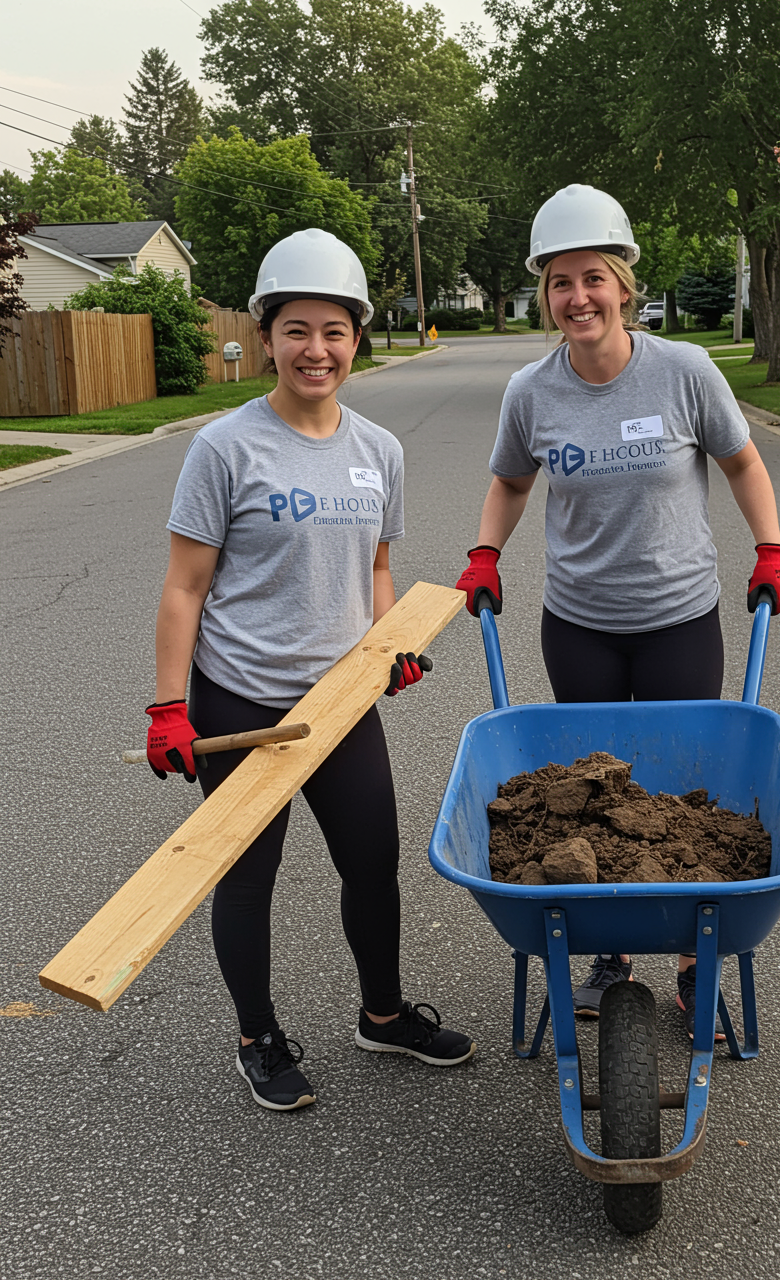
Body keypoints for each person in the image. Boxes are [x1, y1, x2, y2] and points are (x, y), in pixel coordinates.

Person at [455, 185, 780, 1038]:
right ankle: (606, 949)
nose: (579, 297)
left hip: (680, 617)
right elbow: (509, 480)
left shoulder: (683, 370)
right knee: (591, 795)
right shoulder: (532, 392)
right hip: (578, 623)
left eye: (594, 278)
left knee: (690, 799)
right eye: (561, 283)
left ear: (623, 284)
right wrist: (487, 551)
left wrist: (772, 547)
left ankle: (691, 962)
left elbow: (743, 462)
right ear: (546, 294)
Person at [146, 228, 473, 1111]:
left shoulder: (380, 452)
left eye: (334, 331)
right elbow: (185, 585)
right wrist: (170, 708)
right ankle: (257, 1036)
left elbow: (374, 567)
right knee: (246, 877)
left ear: (357, 337)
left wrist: (387, 646)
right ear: (266, 336)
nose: (316, 350)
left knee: (373, 861)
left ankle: (383, 1014)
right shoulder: (224, 448)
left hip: (338, 701)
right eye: (296, 330)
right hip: (238, 697)